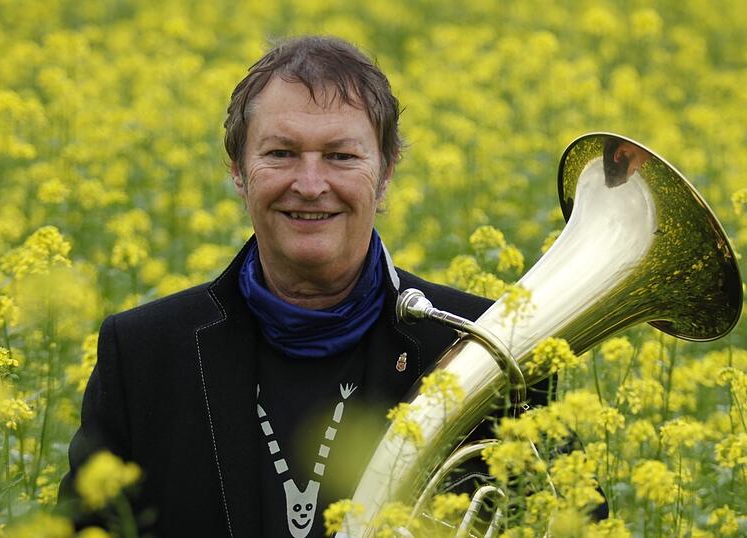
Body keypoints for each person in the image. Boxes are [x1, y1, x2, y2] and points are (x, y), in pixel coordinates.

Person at [58, 35, 547, 537]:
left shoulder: (486, 345)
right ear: (238, 172)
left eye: (340, 156)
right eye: (281, 153)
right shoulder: (143, 354)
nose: (310, 185)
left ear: (385, 175)